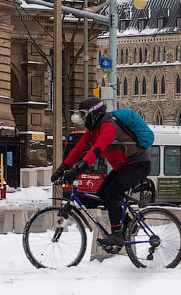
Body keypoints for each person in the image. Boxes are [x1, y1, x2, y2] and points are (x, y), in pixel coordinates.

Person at [52, 97, 152, 248]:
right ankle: (130, 224)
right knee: (102, 194)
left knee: (112, 193)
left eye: (84, 115)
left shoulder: (108, 126)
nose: (83, 120)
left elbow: (96, 151)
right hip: (123, 167)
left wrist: (76, 171)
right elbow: (78, 150)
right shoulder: (92, 131)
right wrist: (62, 168)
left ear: (94, 114)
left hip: (138, 164)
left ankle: (117, 235)